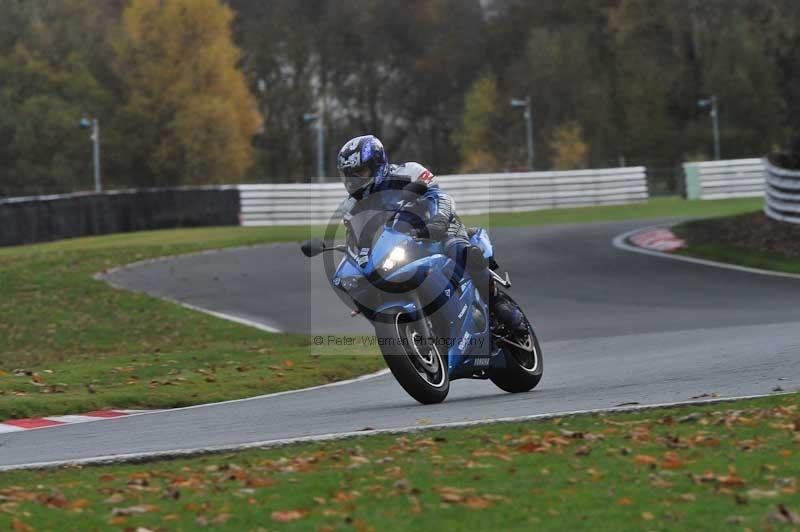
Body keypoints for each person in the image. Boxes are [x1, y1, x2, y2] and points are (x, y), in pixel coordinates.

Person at [335, 134, 524, 332]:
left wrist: (439, 221)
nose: (353, 181)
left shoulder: (410, 171)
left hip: (436, 229)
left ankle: (498, 303)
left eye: (360, 172)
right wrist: (356, 263)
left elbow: (440, 197)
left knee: (461, 249)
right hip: (397, 246)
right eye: (349, 175)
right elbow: (356, 238)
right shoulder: (351, 207)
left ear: (377, 164)